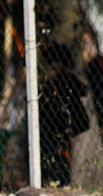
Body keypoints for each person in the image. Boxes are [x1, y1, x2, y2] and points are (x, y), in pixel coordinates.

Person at [36, 14, 89, 187]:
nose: (41, 34)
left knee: (59, 149)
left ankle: (63, 184)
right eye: (37, 30)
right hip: (41, 108)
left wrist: (38, 58)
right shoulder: (33, 53)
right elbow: (23, 78)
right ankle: (44, 182)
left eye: (44, 29)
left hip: (60, 107)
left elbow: (53, 73)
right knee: (41, 149)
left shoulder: (58, 51)